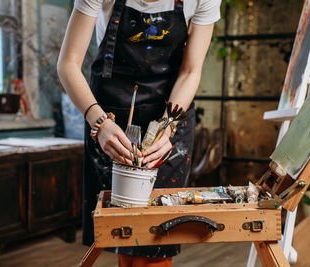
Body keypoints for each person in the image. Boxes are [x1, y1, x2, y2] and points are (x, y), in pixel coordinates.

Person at [57, 0, 221, 266]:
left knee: (157, 238)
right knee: (123, 233)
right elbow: (68, 64)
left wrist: (167, 127)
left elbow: (191, 71)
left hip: (170, 117)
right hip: (110, 118)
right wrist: (99, 123)